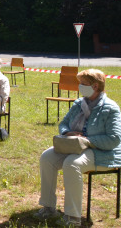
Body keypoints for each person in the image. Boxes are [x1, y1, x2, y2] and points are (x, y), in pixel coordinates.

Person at [35, 69, 121, 227]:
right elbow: (63, 124)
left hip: (100, 151)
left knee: (72, 164)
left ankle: (72, 217)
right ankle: (48, 207)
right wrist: (68, 132)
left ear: (95, 86)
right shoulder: (78, 104)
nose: (80, 87)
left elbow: (114, 139)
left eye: (83, 84)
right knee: (46, 157)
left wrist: (88, 140)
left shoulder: (111, 108)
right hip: (75, 145)